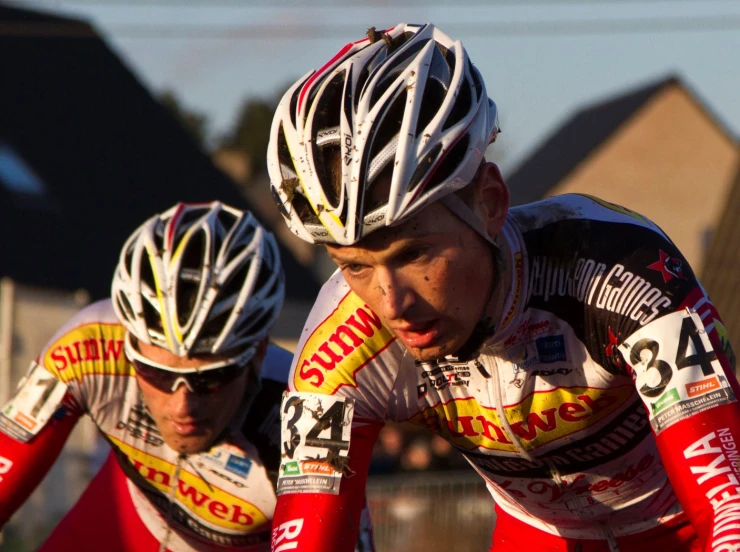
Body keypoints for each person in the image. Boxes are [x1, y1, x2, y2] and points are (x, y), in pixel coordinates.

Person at [265, 22, 740, 552]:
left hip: (682, 526)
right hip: (538, 536)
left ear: (490, 202)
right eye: (354, 267)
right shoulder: (339, 347)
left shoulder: (617, 273)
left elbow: (729, 505)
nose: (391, 303)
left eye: (415, 254)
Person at [0, 201, 373, 551]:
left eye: (210, 379)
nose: (183, 405)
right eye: (156, 374)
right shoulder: (88, 347)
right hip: (116, 525)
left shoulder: (309, 412)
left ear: (257, 353)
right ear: (130, 346)